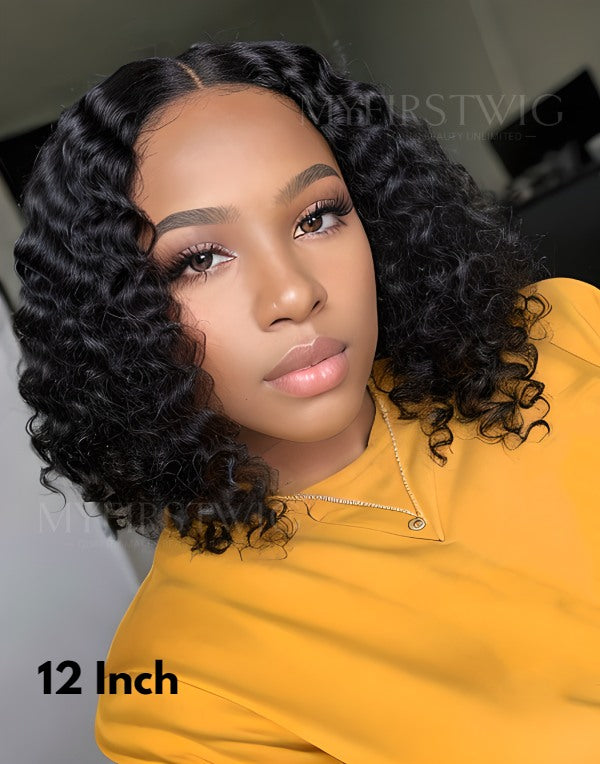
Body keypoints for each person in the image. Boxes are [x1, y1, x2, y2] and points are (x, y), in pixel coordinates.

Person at [12, 39, 600, 764]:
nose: (294, 292)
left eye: (316, 217)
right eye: (200, 259)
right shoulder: (177, 691)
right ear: (118, 316)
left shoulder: (568, 330)